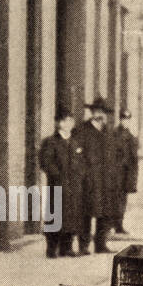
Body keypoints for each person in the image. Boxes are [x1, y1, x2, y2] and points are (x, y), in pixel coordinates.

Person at [37, 107, 87, 258]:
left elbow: (83, 162)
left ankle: (67, 247)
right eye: (66, 120)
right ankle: (51, 248)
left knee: (72, 216)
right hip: (58, 185)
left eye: (71, 120)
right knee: (55, 215)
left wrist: (80, 176)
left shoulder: (76, 142)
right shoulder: (51, 142)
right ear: (59, 123)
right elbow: (46, 162)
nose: (69, 123)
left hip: (74, 186)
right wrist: (57, 176)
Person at [73, 97, 114, 254]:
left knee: (105, 212)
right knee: (86, 212)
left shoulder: (108, 132)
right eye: (97, 111)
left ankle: (101, 244)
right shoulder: (82, 130)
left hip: (105, 180)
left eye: (102, 112)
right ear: (91, 112)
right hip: (89, 179)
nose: (100, 115)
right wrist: (83, 174)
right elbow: (77, 156)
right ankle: (83, 246)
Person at [107, 107, 139, 235]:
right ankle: (110, 225)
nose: (125, 121)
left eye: (127, 119)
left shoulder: (131, 136)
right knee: (113, 199)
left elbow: (133, 157)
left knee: (122, 200)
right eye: (123, 119)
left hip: (126, 173)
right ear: (120, 120)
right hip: (115, 173)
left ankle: (119, 225)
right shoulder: (114, 134)